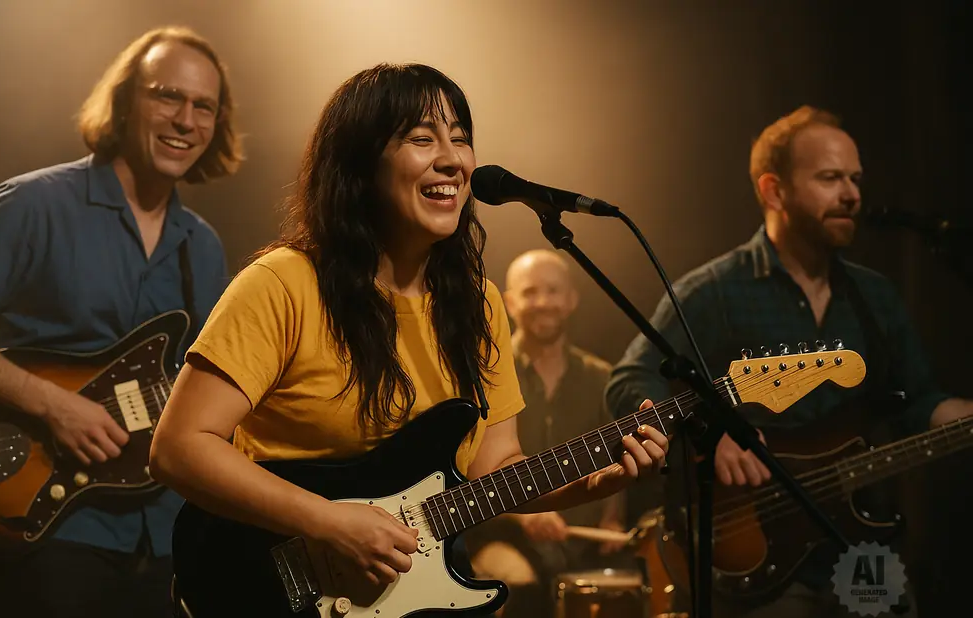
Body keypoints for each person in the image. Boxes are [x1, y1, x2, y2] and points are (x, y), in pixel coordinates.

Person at [149, 63, 668, 617]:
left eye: (460, 138)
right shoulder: (284, 283)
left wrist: (593, 480)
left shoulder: (478, 303)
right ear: (360, 162)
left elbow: (493, 467)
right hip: (268, 586)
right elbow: (179, 448)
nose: (453, 159)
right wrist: (327, 522)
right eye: (422, 139)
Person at [604, 105, 973, 618]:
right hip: (754, 549)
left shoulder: (875, 295)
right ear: (774, 190)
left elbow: (920, 402)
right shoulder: (715, 290)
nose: (852, 194)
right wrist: (708, 432)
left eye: (855, 178)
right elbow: (630, 380)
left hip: (861, 544)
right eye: (830, 178)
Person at [0, 26, 243, 618]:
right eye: (168, 96)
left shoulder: (202, 248)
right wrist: (53, 405)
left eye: (204, 107)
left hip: (163, 539)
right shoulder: (33, 205)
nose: (185, 120)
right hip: (46, 527)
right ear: (124, 101)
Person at [465, 249, 632, 596]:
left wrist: (612, 519)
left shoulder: (602, 377)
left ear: (571, 300)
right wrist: (523, 515)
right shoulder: (485, 373)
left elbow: (614, 453)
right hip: (503, 539)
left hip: (580, 549)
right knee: (515, 582)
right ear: (510, 302)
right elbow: (467, 472)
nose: (542, 302)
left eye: (553, 291)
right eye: (530, 292)